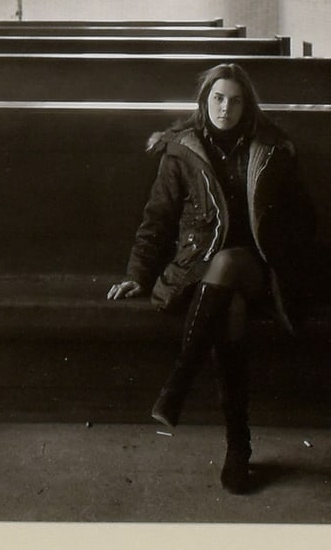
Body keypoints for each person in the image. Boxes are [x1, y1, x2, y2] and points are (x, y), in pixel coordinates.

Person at [107, 62, 314, 494]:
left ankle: (178, 385)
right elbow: (158, 218)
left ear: (247, 105)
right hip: (198, 272)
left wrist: (284, 251)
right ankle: (238, 446)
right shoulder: (182, 151)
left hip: (259, 270)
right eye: (218, 98)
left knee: (231, 262)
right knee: (229, 305)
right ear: (204, 101)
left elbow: (302, 217)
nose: (225, 108)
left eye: (235, 101)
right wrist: (138, 274)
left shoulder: (272, 149)